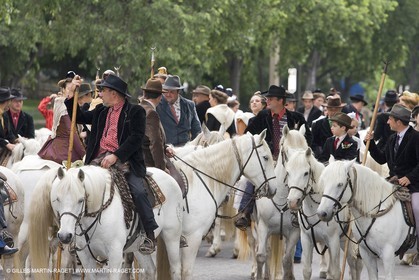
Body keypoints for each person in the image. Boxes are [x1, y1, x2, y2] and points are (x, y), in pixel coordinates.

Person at [65, 74, 159, 254]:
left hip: (126, 161)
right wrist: (71, 95)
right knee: (77, 188)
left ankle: (149, 234)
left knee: (138, 192)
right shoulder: (101, 110)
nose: (99, 94)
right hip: (97, 160)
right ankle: (77, 234)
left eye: (103, 91)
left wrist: (116, 155)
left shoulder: (135, 112)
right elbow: (80, 117)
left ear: (114, 94)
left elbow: (136, 138)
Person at [235, 85, 312, 229]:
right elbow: (248, 136)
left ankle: (299, 213)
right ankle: (244, 212)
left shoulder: (296, 118)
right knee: (249, 181)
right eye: (267, 98)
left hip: (291, 162)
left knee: (300, 182)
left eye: (270, 98)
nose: (267, 101)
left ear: (281, 100)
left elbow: (309, 139)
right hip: (266, 160)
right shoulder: (262, 116)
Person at [364, 104, 419, 261]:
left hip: (414, 184)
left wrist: (409, 177)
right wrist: (371, 144)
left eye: (390, 119)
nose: (387, 122)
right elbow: (382, 159)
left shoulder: (416, 138)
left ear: (399, 122)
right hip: (393, 182)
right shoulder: (392, 138)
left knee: (417, 207)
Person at [38, 73, 86, 164]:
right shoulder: (62, 104)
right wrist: (84, 154)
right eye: (69, 89)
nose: (71, 91)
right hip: (64, 148)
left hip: (72, 143)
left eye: (74, 89)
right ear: (63, 90)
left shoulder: (74, 104)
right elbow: (71, 131)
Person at [156, 75, 201, 146]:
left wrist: (195, 146)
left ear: (178, 91)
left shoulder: (189, 105)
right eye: (166, 91)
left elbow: (197, 129)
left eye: (172, 92)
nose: (168, 94)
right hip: (165, 150)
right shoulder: (157, 105)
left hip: (185, 150)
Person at [139, 78, 168, 171]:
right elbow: (155, 142)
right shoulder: (151, 113)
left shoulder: (138, 108)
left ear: (145, 94)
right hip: (148, 163)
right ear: (160, 97)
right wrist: (162, 168)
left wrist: (165, 147)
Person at [311, 94, 346, 159]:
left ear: (340, 110)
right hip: (323, 160)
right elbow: (313, 144)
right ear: (327, 109)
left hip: (342, 160)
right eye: (330, 110)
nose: (333, 112)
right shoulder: (318, 124)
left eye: (336, 110)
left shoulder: (346, 124)